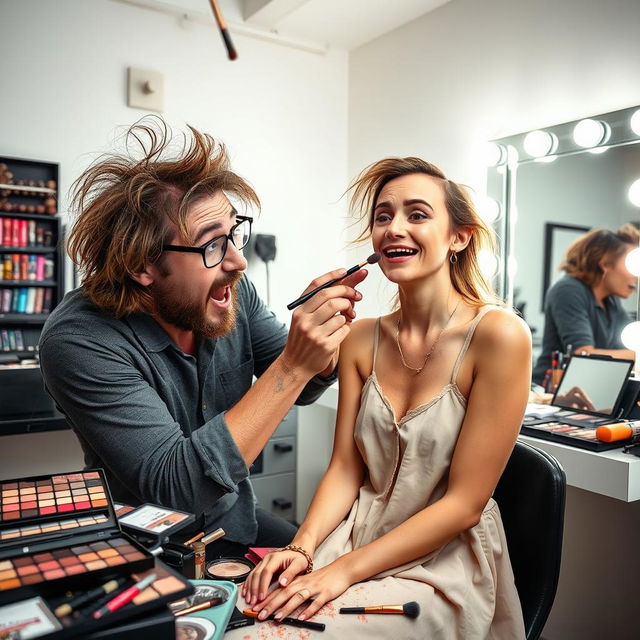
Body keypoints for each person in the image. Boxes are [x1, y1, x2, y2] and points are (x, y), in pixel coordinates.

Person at [38, 118, 368, 554]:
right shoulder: (79, 339)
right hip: (149, 545)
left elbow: (303, 389)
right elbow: (179, 484)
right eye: (213, 245)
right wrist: (294, 363)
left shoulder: (230, 293)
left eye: (235, 233)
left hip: (233, 520)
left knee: (326, 565)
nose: (239, 261)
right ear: (144, 266)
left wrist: (319, 344)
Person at [236, 157, 531, 639]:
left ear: (459, 237)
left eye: (417, 215)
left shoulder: (499, 336)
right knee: (245, 620)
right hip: (351, 539)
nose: (394, 228)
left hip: (440, 564)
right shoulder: (360, 338)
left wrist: (340, 573)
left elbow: (464, 505)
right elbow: (346, 469)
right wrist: (303, 548)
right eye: (382, 216)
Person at [532, 224, 640, 386]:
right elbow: (584, 355)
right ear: (605, 263)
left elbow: (628, 348)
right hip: (549, 393)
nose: (636, 275)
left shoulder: (611, 302)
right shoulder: (568, 290)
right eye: (632, 264)